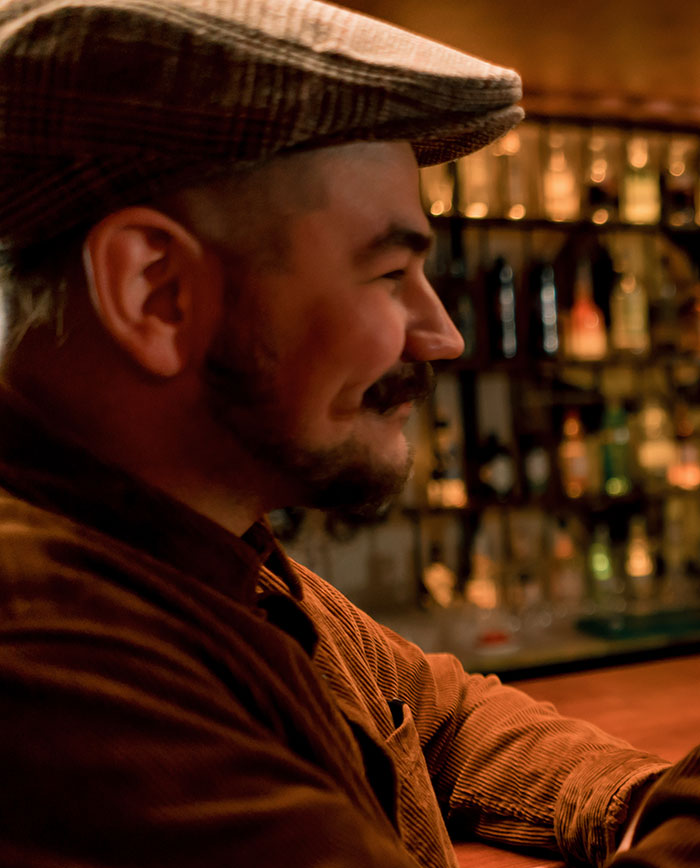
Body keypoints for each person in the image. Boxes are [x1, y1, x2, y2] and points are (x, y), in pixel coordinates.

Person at [0, 0, 692, 866]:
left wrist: (642, 804)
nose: (442, 335)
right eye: (391, 272)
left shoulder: (206, 546)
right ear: (154, 291)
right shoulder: (54, 658)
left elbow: (442, 717)